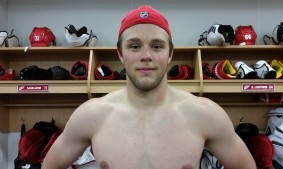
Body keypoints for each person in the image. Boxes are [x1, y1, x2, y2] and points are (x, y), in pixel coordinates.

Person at [42, 5, 256, 169]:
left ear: (170, 53)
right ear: (120, 54)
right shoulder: (91, 115)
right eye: (134, 46)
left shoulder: (205, 114)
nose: (146, 56)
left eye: (157, 46)